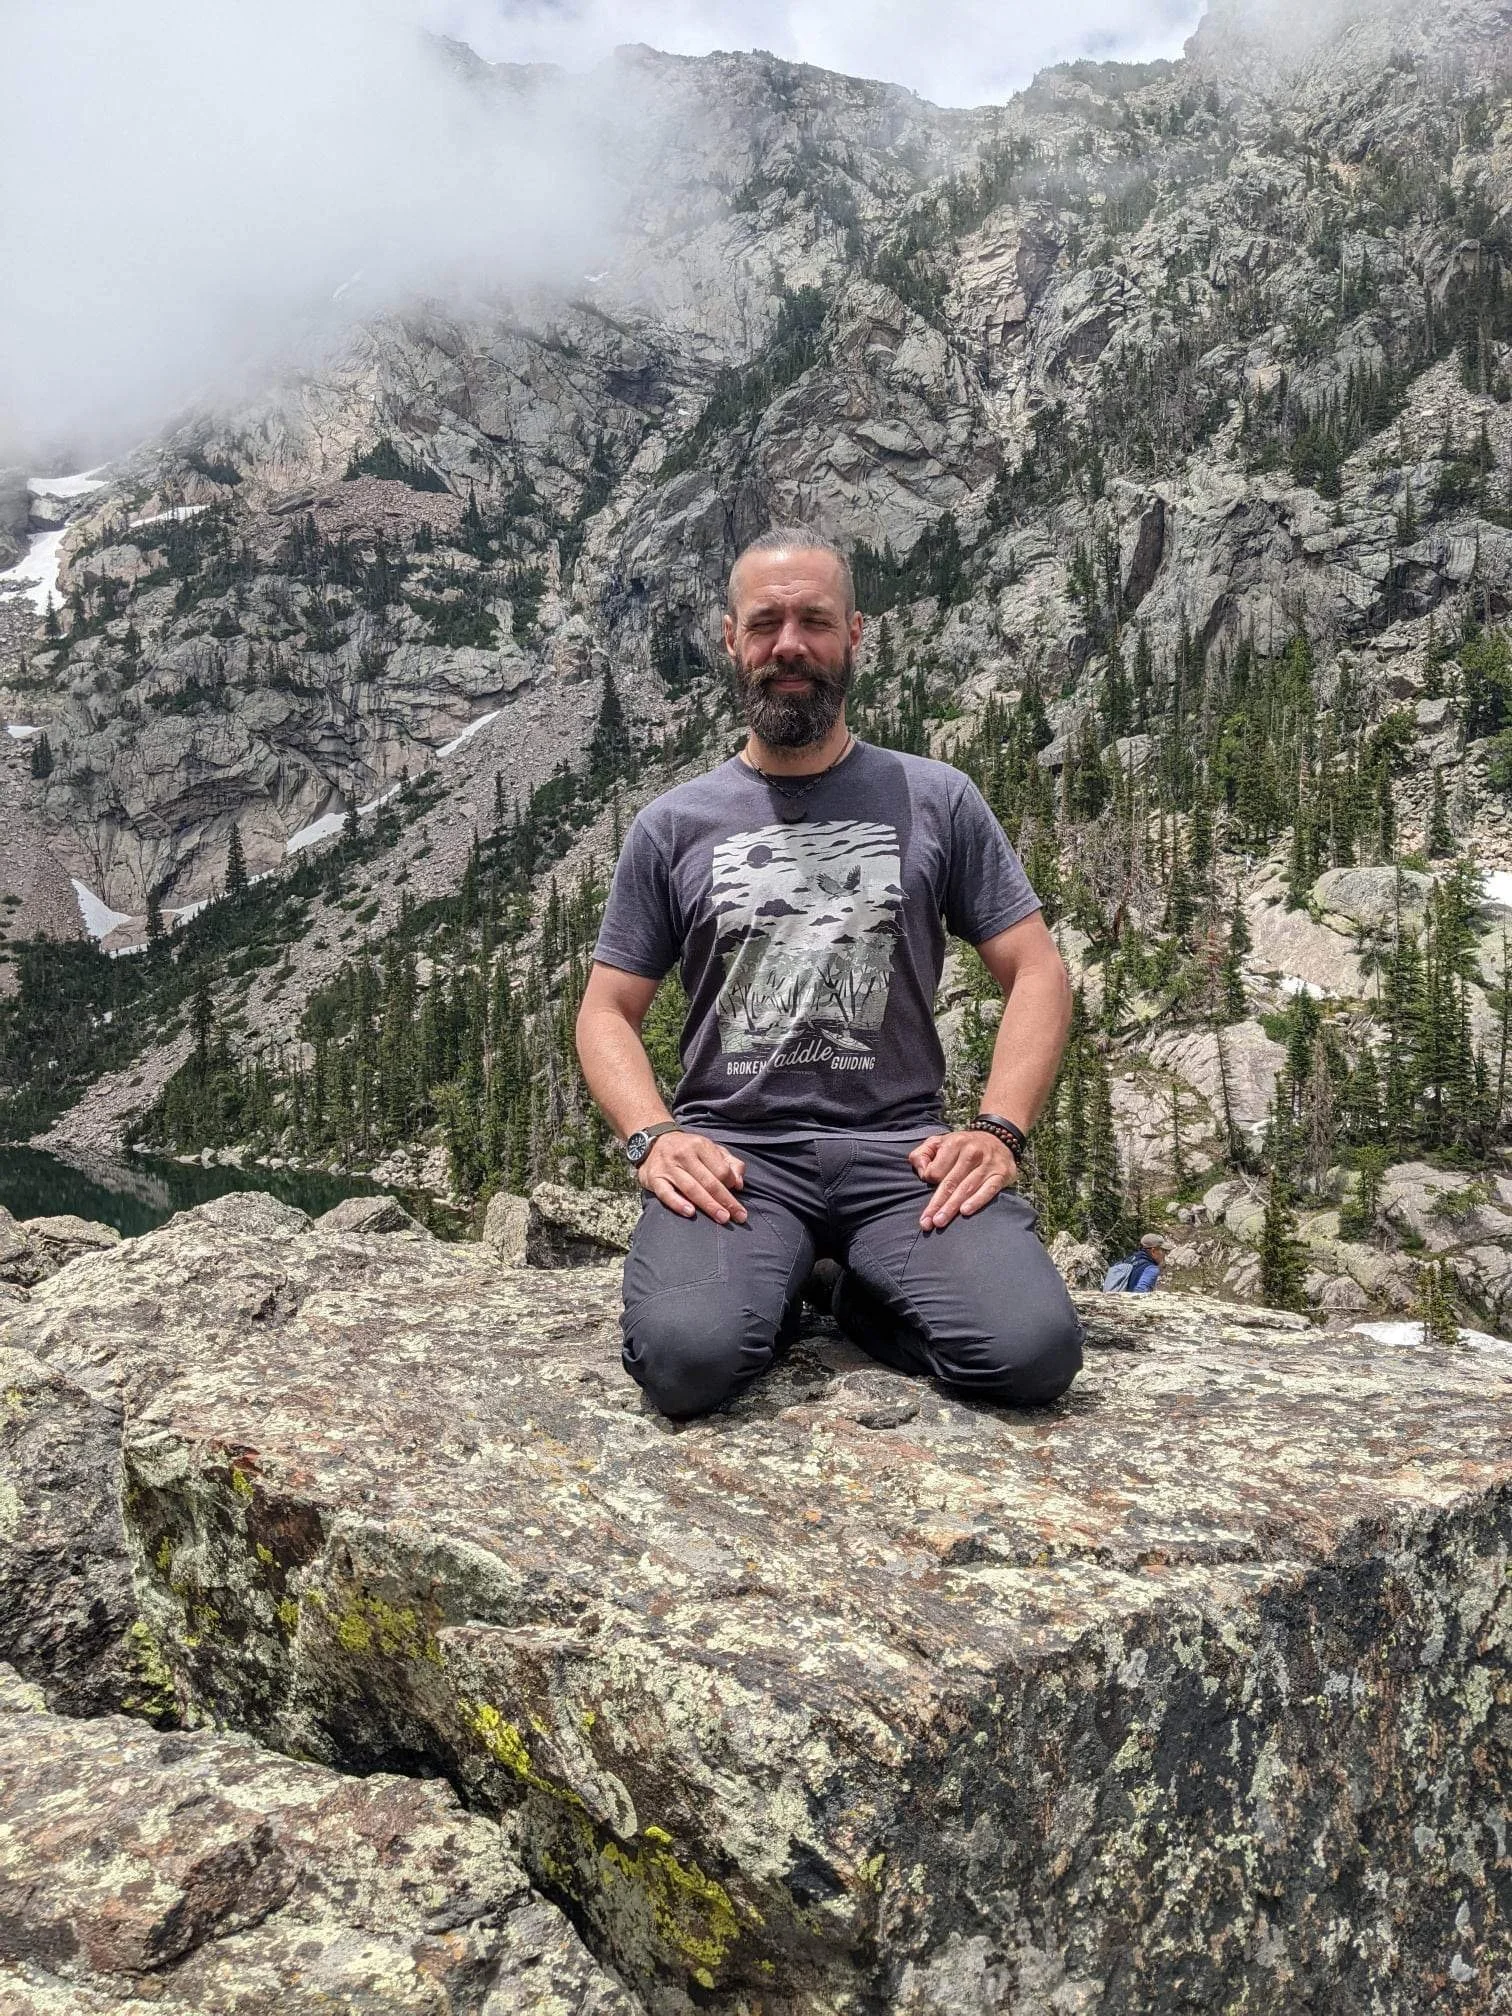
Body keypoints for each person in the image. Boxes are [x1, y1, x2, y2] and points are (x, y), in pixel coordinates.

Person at [574, 526, 1084, 1419]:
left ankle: (847, 1295)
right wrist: (653, 1137)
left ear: (855, 635)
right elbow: (605, 1010)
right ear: (730, 639)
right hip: (737, 1162)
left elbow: (1036, 970)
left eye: (814, 620)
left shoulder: (937, 799)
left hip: (901, 1156)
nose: (789, 646)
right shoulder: (673, 825)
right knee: (687, 1362)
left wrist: (999, 1130)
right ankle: (773, 1285)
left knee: (1030, 1355)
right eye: (764, 623)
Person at [1101, 1232, 1171, 1293]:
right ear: (1153, 1251)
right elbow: (1141, 1292)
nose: (1165, 1254)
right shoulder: (1151, 1269)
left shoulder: (1130, 1259)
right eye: (1163, 1251)